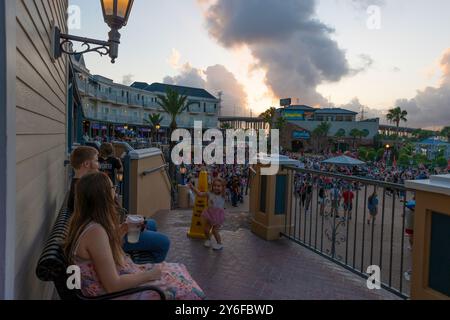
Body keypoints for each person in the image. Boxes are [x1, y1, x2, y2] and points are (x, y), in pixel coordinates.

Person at [64, 172, 205, 300]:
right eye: (113, 188)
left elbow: (104, 258)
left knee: (177, 270)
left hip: (112, 284)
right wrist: (149, 276)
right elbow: (113, 285)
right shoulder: (95, 232)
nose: (115, 191)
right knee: (189, 291)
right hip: (113, 294)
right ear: (104, 196)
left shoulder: (85, 223)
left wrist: (120, 233)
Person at [68, 147, 170, 264]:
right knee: (164, 242)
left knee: (151, 224)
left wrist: (125, 225)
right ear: (86, 164)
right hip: (109, 239)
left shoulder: (81, 184)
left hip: (110, 231)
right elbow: (100, 225)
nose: (99, 165)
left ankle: (142, 263)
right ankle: (140, 266)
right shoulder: (85, 189)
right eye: (96, 161)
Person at [189, 178, 226, 251]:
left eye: (219, 186)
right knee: (206, 230)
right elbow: (200, 194)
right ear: (212, 186)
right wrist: (193, 188)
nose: (216, 187)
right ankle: (208, 240)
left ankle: (219, 244)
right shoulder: (209, 193)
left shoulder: (223, 195)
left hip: (218, 216)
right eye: (215, 185)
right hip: (209, 214)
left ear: (222, 187)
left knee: (215, 231)